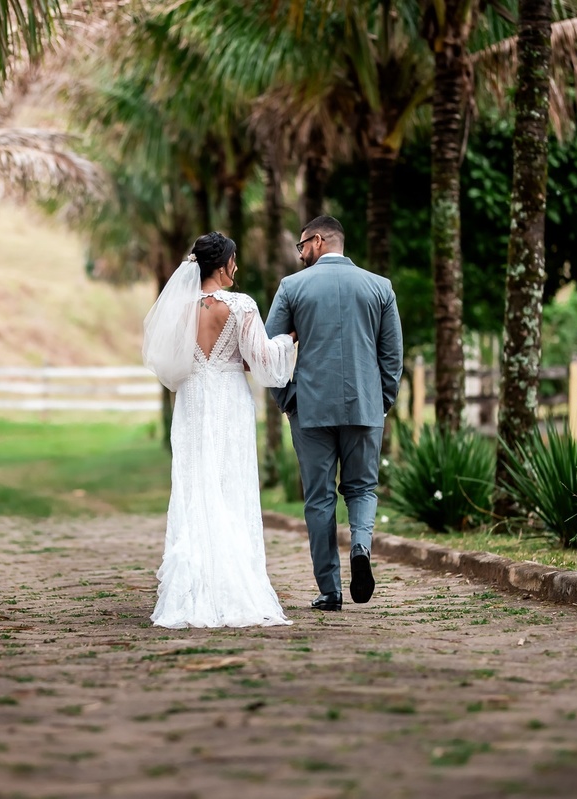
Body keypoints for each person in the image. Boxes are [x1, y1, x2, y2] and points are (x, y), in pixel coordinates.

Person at [142, 232, 297, 628]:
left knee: (196, 485)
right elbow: (263, 362)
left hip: (192, 399)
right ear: (223, 264)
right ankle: (234, 587)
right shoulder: (241, 305)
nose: (237, 267)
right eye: (234, 260)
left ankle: (192, 588)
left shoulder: (178, 308)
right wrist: (290, 340)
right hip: (229, 398)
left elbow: (168, 363)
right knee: (230, 485)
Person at [265, 215, 403, 612]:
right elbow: (392, 356)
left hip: (310, 408)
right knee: (361, 488)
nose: (301, 253)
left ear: (320, 241)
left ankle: (331, 590)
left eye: (302, 245)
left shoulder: (292, 287)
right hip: (365, 405)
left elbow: (269, 351)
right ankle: (360, 547)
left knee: (320, 499)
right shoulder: (381, 287)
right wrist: (383, 401)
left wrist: (285, 398)